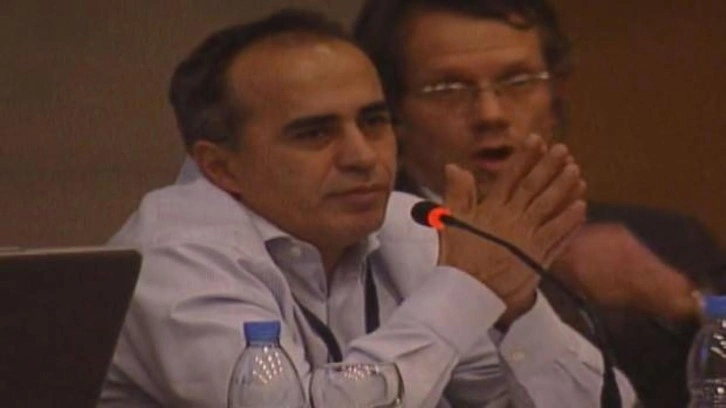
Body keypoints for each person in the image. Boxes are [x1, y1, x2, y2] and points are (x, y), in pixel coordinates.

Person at [99, 8, 637, 408]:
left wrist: (515, 305)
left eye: (374, 122)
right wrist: (466, 288)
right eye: (315, 133)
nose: (362, 156)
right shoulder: (174, 257)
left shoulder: (409, 227)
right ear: (221, 168)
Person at [352, 0, 726, 406]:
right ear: (393, 113)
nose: (490, 113)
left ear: (555, 95)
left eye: (518, 81)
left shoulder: (669, 240)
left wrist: (685, 301)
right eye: (448, 89)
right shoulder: (356, 257)